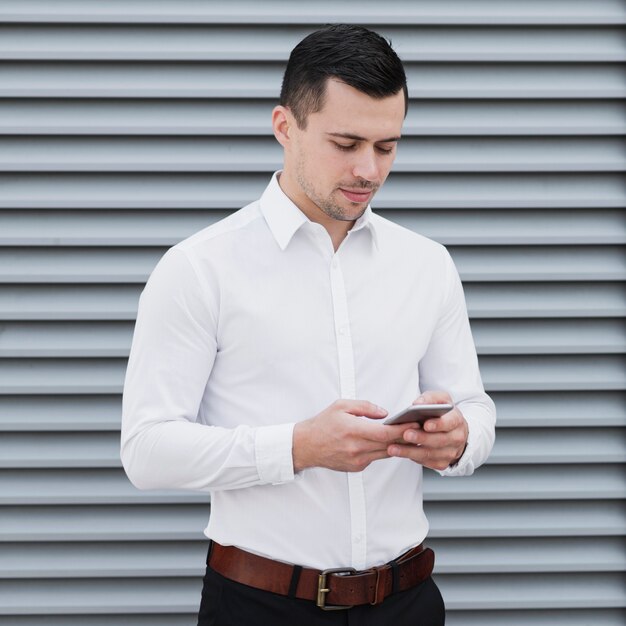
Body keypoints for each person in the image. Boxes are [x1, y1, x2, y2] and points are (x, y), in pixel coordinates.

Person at [121, 24, 496, 626]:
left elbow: (477, 410)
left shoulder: (428, 264)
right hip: (259, 606)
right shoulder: (199, 268)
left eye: (387, 146)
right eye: (345, 143)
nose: (368, 170)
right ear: (284, 127)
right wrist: (299, 447)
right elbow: (147, 450)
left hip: (408, 604)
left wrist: (457, 441)